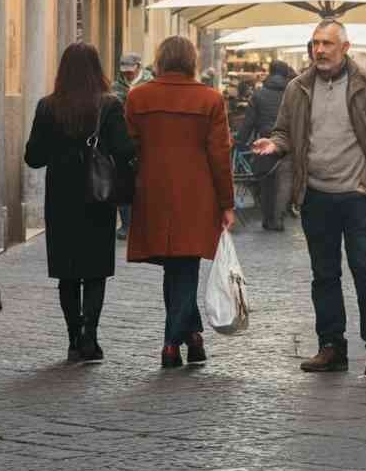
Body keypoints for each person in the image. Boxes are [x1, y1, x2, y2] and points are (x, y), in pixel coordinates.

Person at [252, 20, 366, 378]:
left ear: (345, 47)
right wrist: (276, 145)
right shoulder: (298, 87)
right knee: (324, 275)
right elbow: (286, 132)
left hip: (359, 196)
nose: (319, 50)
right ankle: (331, 347)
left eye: (327, 44)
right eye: (315, 43)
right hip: (316, 194)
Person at [125, 36, 235, 368]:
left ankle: (193, 336)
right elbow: (219, 154)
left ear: (159, 59)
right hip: (196, 194)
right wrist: (226, 202)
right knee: (183, 266)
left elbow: (129, 147)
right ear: (191, 60)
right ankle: (172, 343)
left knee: (175, 269)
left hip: (153, 192)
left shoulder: (138, 97)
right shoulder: (210, 99)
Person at [24, 43, 136, 362]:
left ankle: (73, 339)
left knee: (68, 272)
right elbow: (125, 151)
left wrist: (58, 149)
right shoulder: (110, 105)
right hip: (98, 198)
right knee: (95, 270)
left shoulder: (47, 106)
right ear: (96, 69)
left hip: (61, 199)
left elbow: (33, 157)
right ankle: (91, 336)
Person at [236, 60, 292, 231]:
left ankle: (268, 218)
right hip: (288, 144)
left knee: (267, 182)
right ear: (285, 74)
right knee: (285, 181)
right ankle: (279, 218)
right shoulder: (292, 93)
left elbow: (248, 123)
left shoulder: (259, 95)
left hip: (264, 143)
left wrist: (239, 141)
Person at [112, 53, 151, 240]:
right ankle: (126, 225)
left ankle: (143, 224)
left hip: (146, 139)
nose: (127, 75)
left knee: (144, 182)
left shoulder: (151, 83)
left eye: (131, 71)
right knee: (123, 181)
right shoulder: (116, 86)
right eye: (125, 72)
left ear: (138, 66)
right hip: (123, 138)